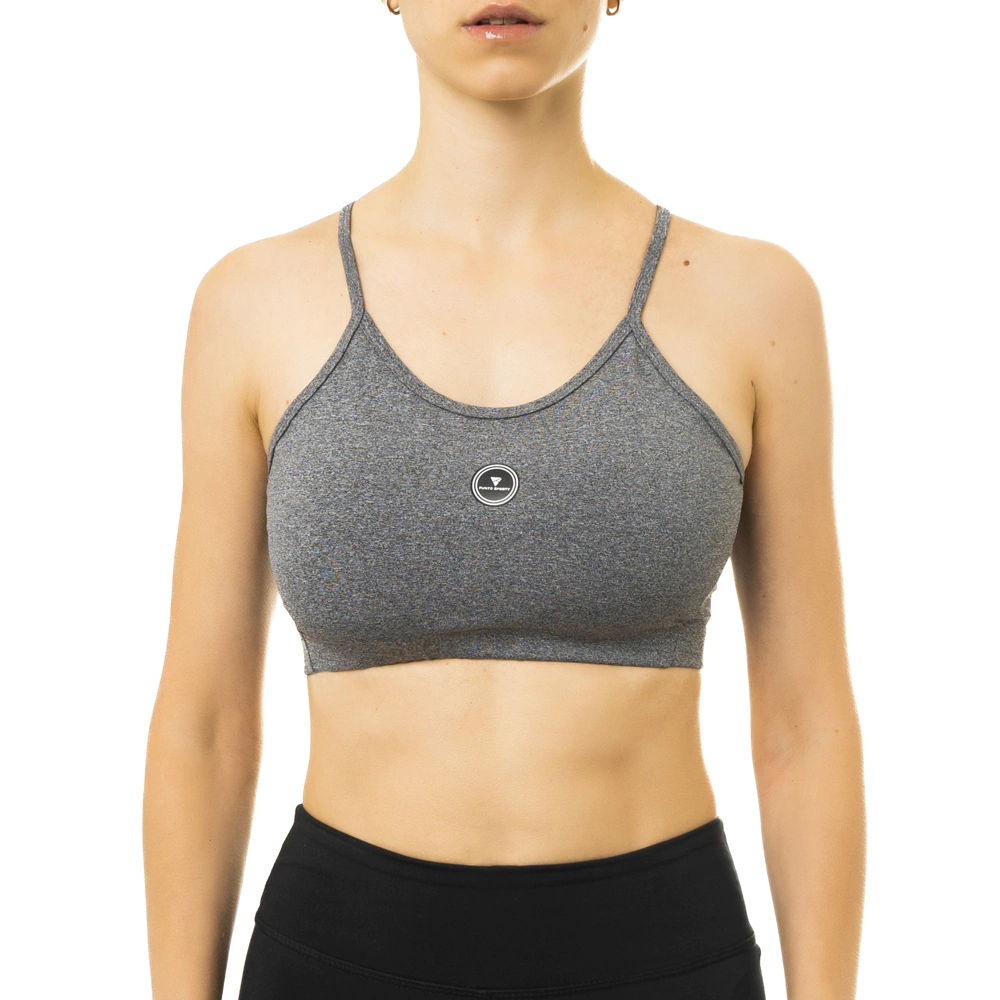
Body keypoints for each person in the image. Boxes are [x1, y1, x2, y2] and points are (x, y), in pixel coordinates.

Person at [142, 2, 867, 998]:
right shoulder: (253, 301)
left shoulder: (753, 299)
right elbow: (205, 721)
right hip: (339, 955)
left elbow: (804, 721)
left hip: (661, 955)